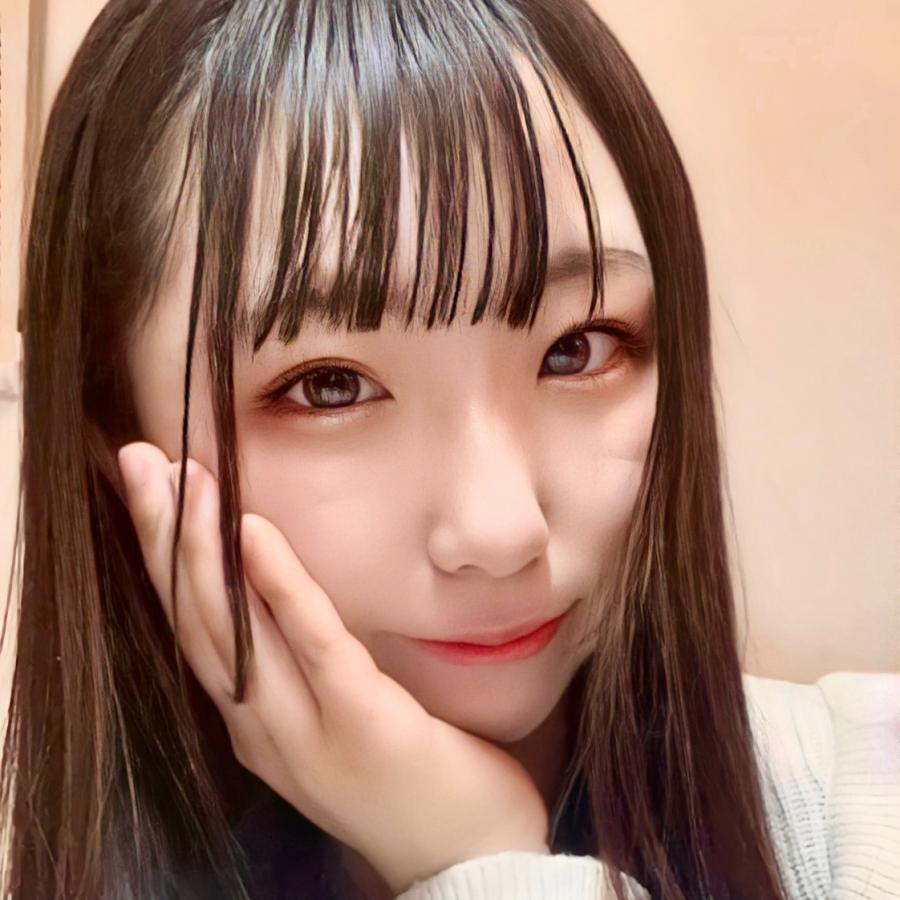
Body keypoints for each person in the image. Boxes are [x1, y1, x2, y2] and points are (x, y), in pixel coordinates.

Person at [2, 0, 898, 898]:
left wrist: (478, 862)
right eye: (330, 386)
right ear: (118, 430)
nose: (501, 530)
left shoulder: (862, 802)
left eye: (577, 349)